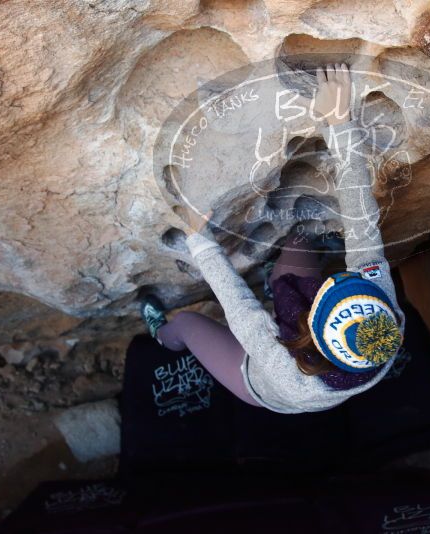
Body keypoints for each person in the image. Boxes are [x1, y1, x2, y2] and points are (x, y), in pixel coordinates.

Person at [140, 63, 406, 414]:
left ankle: (162, 337)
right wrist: (340, 123)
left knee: (187, 324)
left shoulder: (287, 373)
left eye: (334, 286)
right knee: (297, 245)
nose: (344, 276)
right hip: (310, 333)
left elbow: (239, 309)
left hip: (255, 380)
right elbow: (362, 222)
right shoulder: (383, 313)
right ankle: (277, 285)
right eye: (350, 283)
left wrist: (199, 239)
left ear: (313, 324)